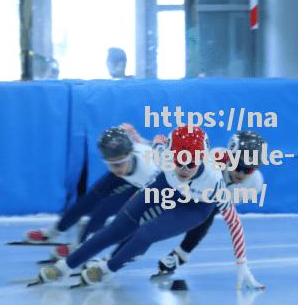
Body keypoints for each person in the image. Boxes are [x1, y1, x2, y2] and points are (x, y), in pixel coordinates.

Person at [38, 125, 264, 290]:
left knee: (146, 233)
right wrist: (137, 137)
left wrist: (242, 265)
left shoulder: (214, 182)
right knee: (116, 229)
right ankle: (65, 266)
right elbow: (157, 139)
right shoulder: (162, 155)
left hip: (196, 206)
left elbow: (234, 223)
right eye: (179, 162)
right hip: (165, 185)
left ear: (202, 159)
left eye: (191, 164)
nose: (184, 169)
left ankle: (107, 270)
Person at [22, 124, 160, 259]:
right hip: (133, 172)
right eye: (111, 164)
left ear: (130, 154)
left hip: (145, 186)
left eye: (119, 163)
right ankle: (54, 232)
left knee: (105, 209)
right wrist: (134, 135)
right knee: (89, 199)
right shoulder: (126, 150)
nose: (116, 168)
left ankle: (81, 246)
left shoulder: (149, 171)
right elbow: (136, 140)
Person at [153, 130, 266, 278]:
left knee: (209, 211)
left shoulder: (255, 184)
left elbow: (227, 214)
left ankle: (181, 254)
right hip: (190, 186)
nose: (241, 173)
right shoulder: (214, 159)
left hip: (210, 198)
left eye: (248, 169)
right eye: (237, 166)